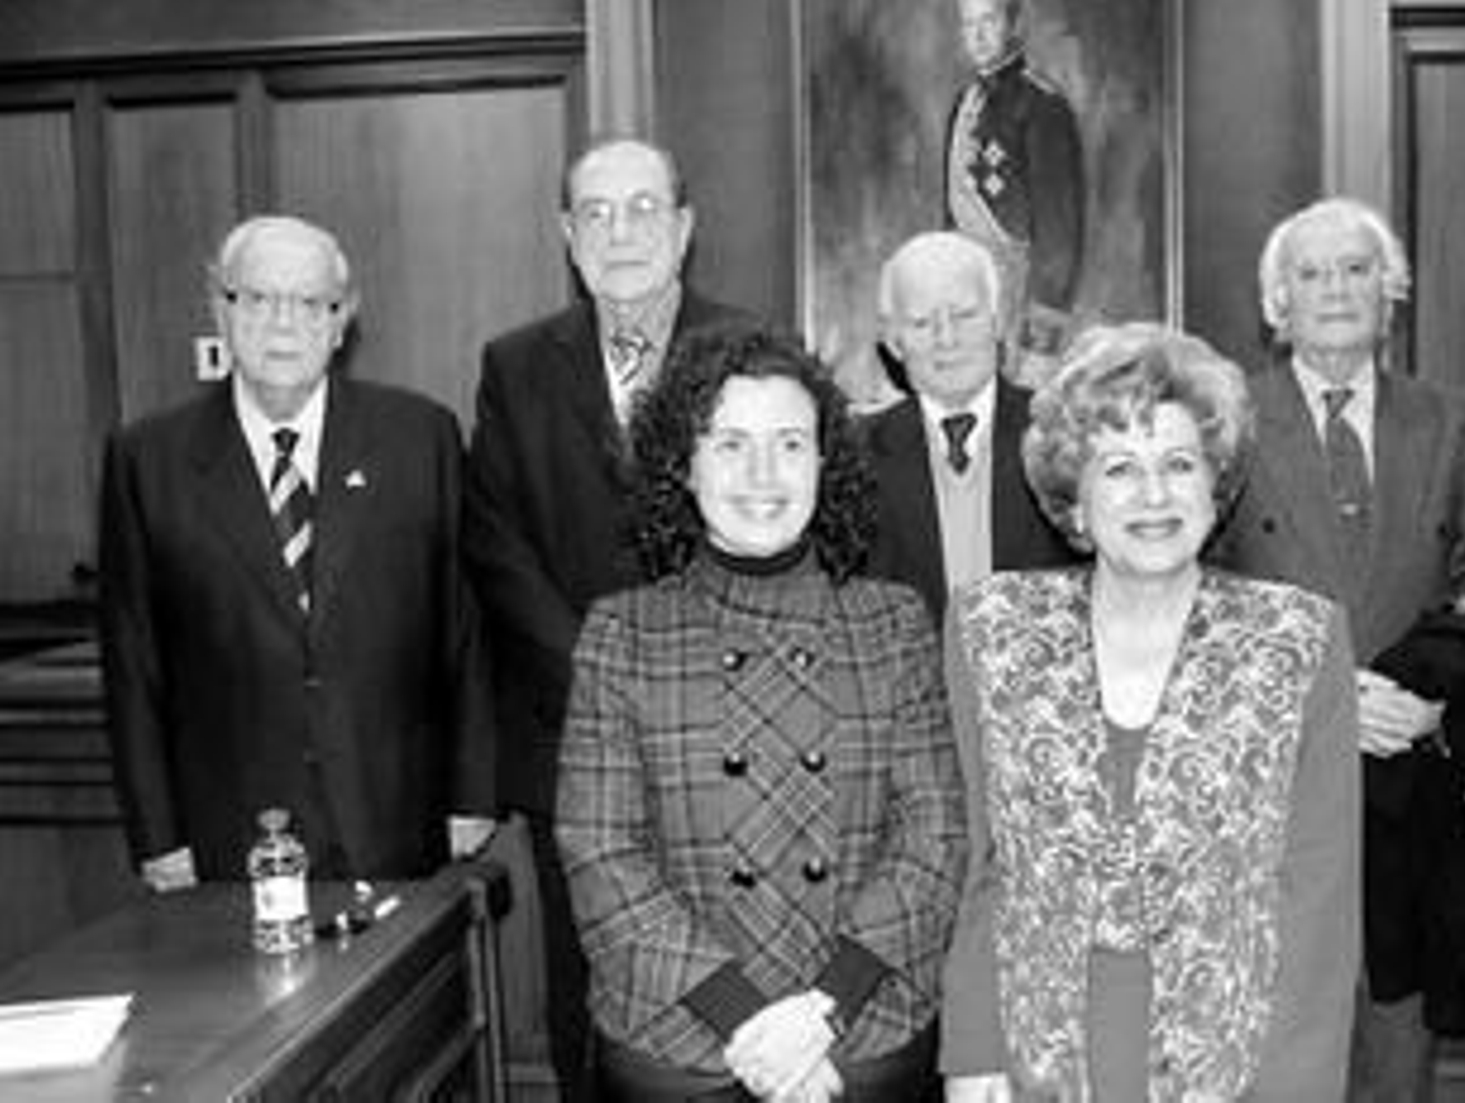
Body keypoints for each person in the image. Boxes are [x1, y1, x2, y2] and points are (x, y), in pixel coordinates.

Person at [942, 322, 1361, 1100]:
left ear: (1216, 480)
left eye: (1177, 463)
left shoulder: (1297, 638)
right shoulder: (992, 631)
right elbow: (983, 868)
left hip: (1238, 1061)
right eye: (1119, 468)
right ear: (1075, 491)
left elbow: (1320, 907)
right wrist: (972, 1054)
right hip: (1040, 1055)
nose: (1154, 495)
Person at [556, 325, 967, 1102]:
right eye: (729, 444)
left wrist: (820, 1011)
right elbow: (600, 853)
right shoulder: (623, 630)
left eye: (789, 443)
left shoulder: (894, 621)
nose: (762, 474)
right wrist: (747, 1019)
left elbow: (935, 836)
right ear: (682, 463)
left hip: (860, 1034)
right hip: (680, 1044)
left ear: (824, 460)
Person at [1207, 197, 1465, 1101]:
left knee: (1397, 1046)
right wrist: (1321, 697)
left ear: (1389, 291)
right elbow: (1199, 589)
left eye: (1356, 269)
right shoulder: (1224, 418)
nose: (1336, 289)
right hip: (1274, 787)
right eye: (1311, 274)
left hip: (1412, 777)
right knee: (1278, 1043)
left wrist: (1440, 700)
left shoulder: (1452, 422)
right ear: (1278, 303)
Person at [465, 136, 750, 1098]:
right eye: (596, 211)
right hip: (568, 738)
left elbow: (774, 521)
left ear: (683, 227)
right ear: (566, 235)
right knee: (589, 995)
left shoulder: (750, 351)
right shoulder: (514, 367)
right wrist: (597, 672)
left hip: (726, 737)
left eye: (642, 209)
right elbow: (495, 542)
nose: (620, 231)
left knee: (730, 990)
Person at [99, 214, 495, 890]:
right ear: (219, 309)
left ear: (342, 321)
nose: (283, 323)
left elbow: (465, 631)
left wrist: (474, 792)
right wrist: (159, 837)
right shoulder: (147, 460)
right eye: (257, 298)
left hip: (400, 820)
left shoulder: (419, 438)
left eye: (310, 302)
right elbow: (133, 665)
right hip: (230, 839)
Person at [865, 231, 1074, 622]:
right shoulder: (856, 454)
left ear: (998, 322)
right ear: (894, 341)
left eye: (964, 315)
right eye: (922, 322)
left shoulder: (1060, 432)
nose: (947, 339)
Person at [945, 0, 1085, 374]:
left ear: (1013, 23)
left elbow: (1059, 237)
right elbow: (952, 217)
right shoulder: (964, 102)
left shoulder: (1042, 105)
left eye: (988, 21)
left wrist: (1039, 343)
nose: (977, 35)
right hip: (969, 299)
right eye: (968, 24)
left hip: (1015, 296)